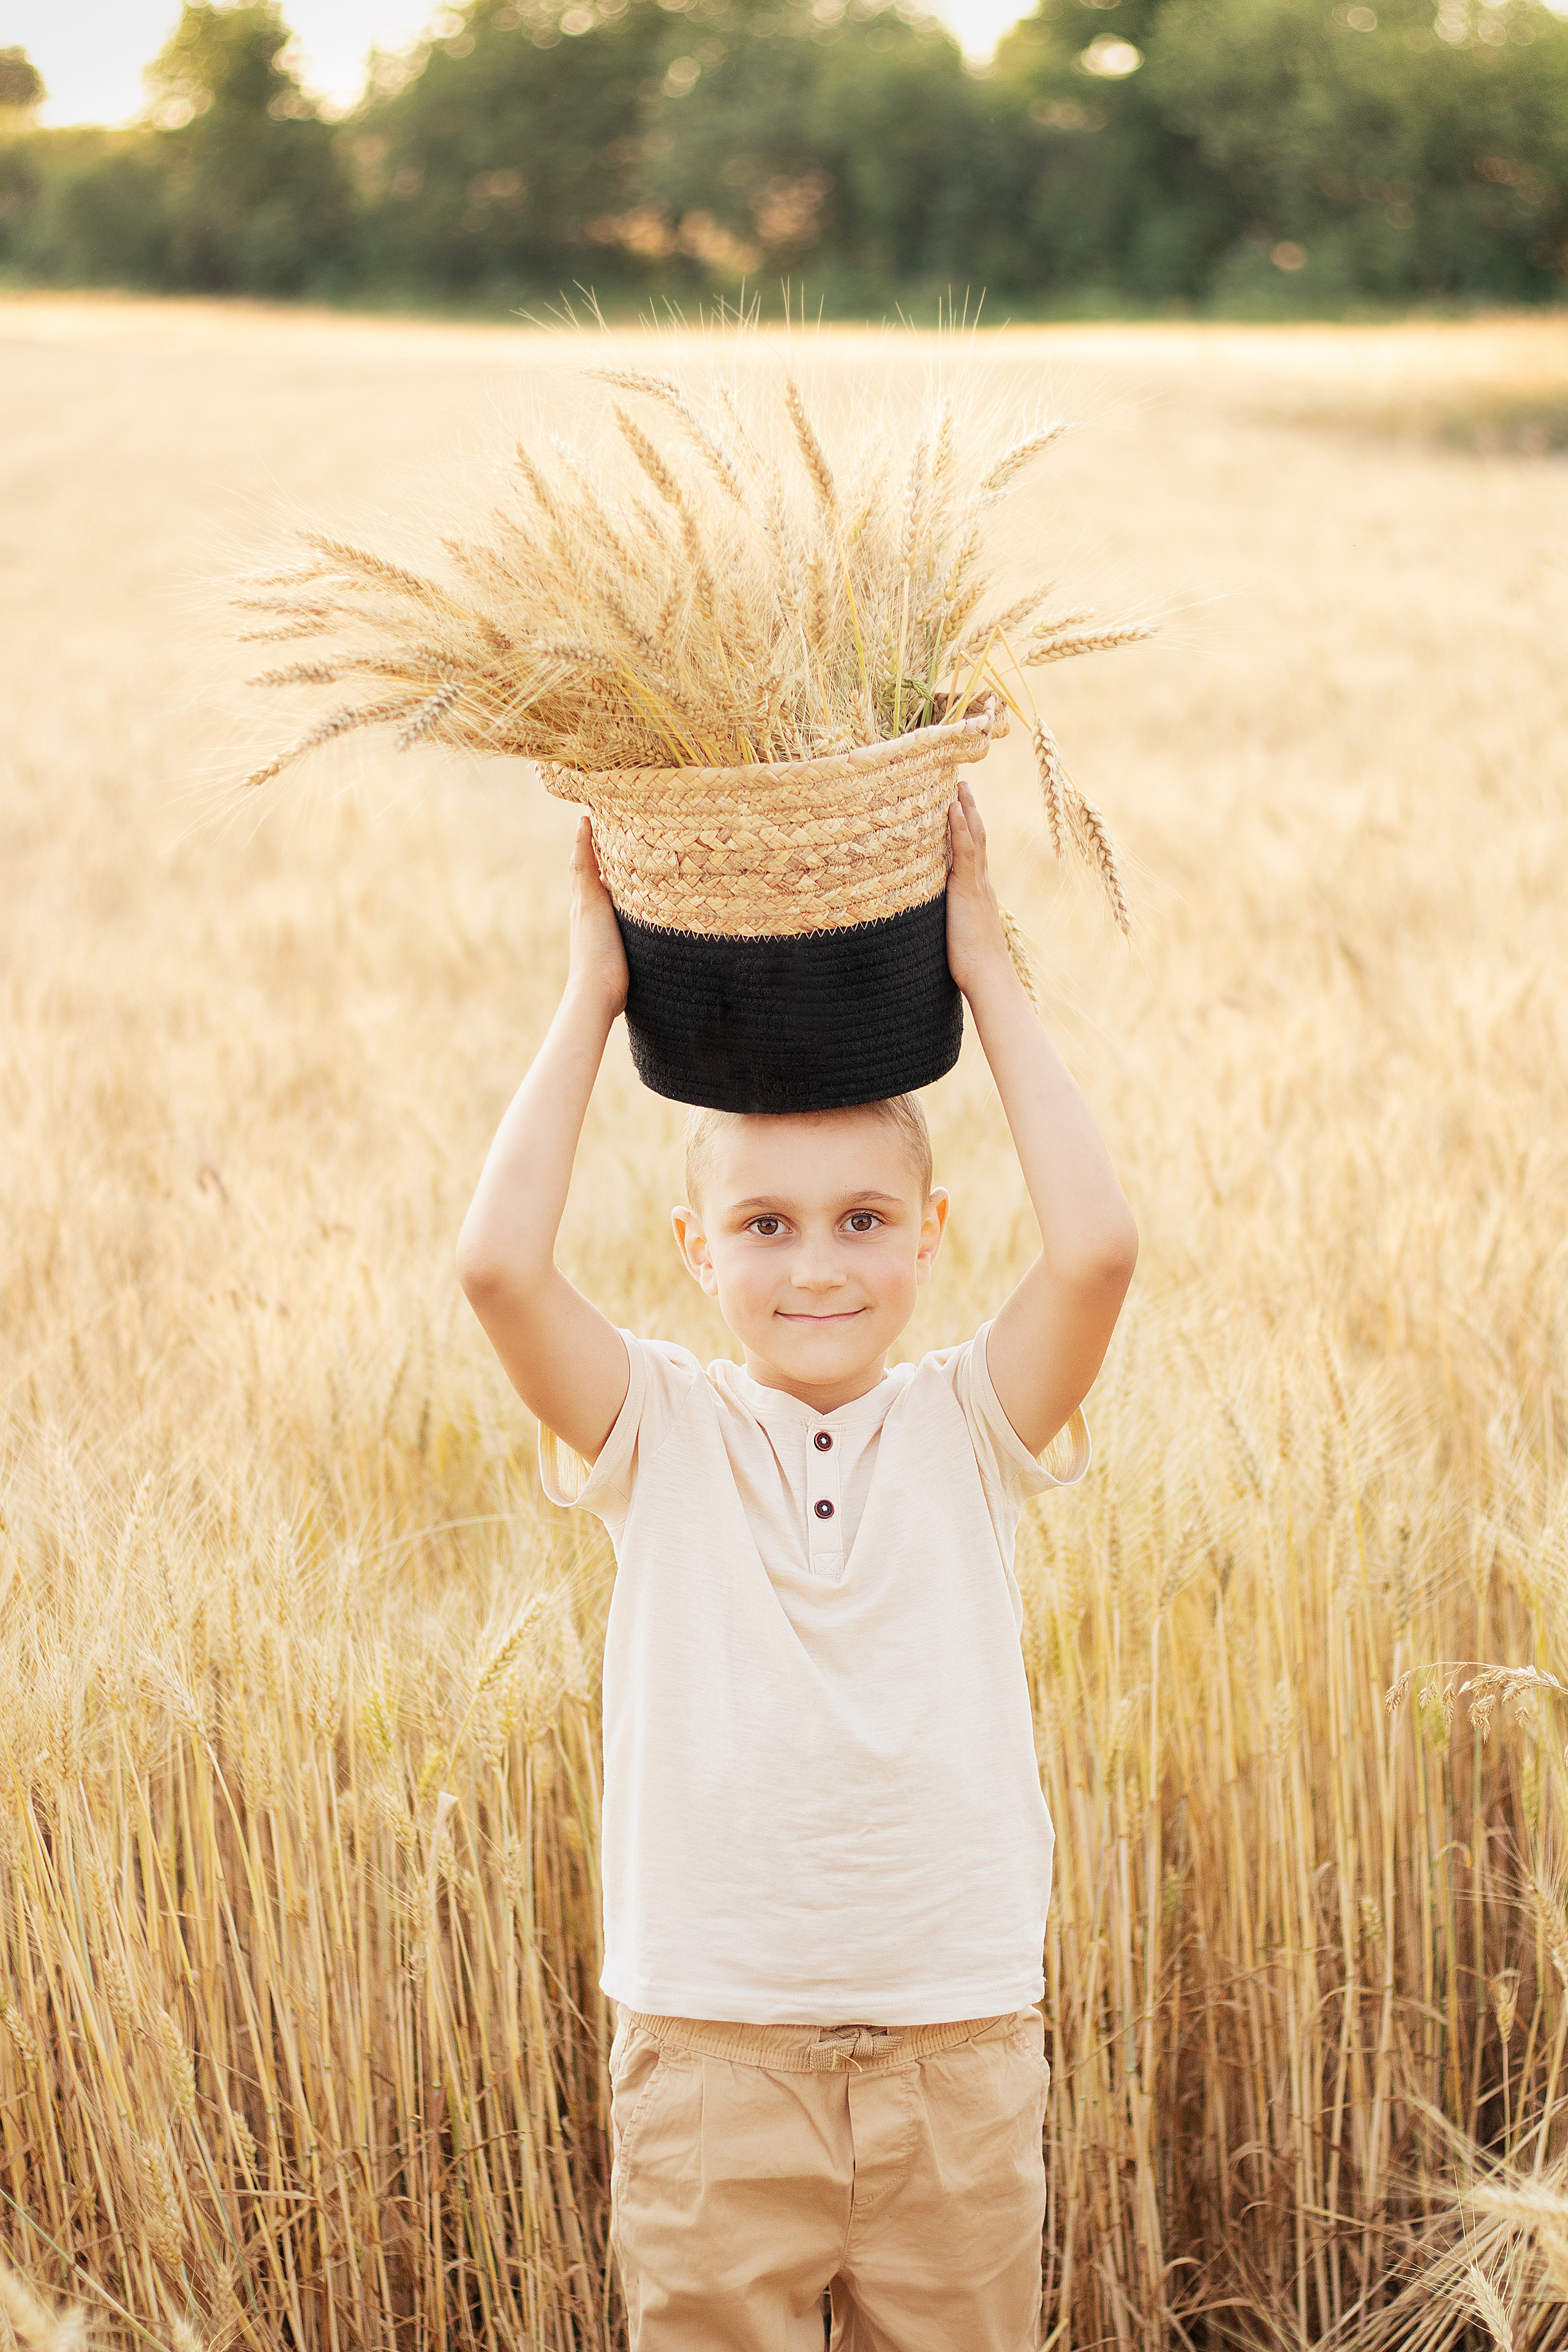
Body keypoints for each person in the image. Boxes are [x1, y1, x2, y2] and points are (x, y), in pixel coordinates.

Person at [456, 778, 1139, 2351]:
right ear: (694, 1252)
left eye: (860, 1220)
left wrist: (987, 972)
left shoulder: (971, 1424)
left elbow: (1095, 1250)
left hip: (955, 2047)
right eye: (761, 1226)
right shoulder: (657, 1433)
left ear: (929, 1234)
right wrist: (591, 994)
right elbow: (496, 1266)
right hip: (710, 2051)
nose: (816, 1263)